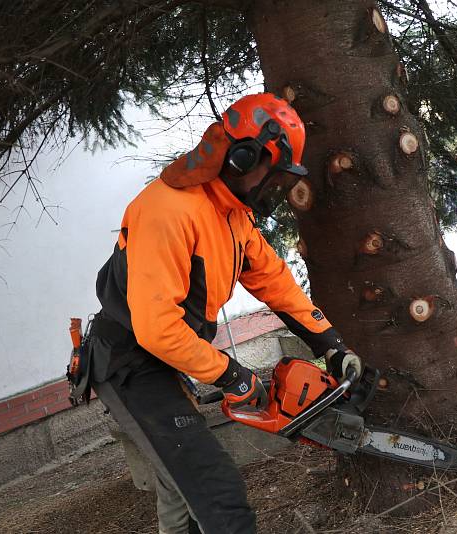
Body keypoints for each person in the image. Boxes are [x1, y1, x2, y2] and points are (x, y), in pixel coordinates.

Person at [87, 93, 361, 534]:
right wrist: (233, 375)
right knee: (216, 493)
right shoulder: (169, 210)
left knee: (181, 487)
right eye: (271, 177)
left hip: (166, 359)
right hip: (128, 361)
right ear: (240, 157)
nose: (273, 189)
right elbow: (156, 330)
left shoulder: (230, 213)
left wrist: (330, 344)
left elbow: (275, 282)